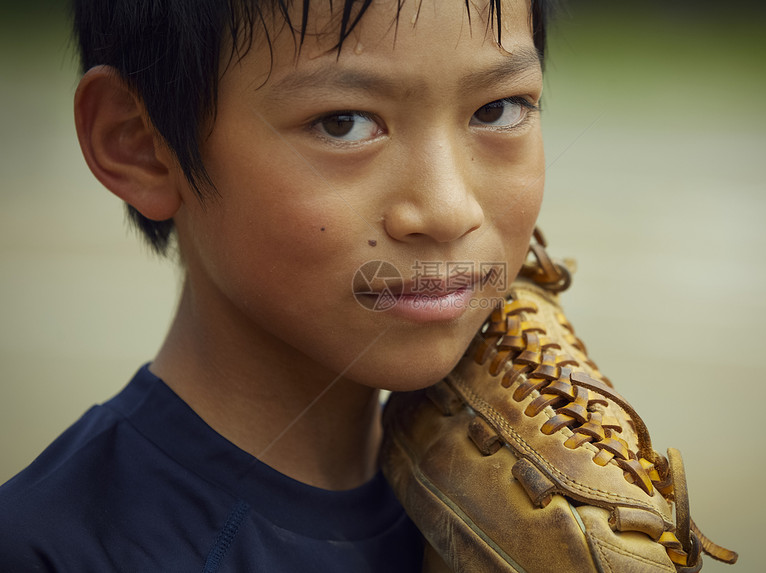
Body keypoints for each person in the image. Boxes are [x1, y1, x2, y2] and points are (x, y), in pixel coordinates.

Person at [0, 0, 550, 570]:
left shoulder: (533, 514)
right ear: (140, 142)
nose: (447, 210)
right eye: (345, 123)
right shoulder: (50, 552)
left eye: (498, 110)